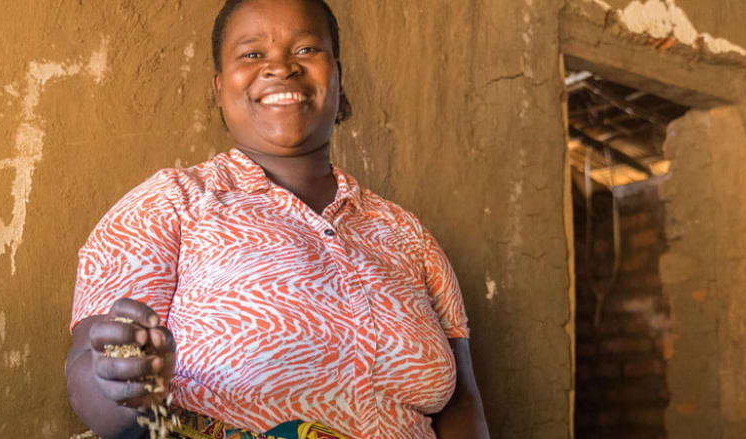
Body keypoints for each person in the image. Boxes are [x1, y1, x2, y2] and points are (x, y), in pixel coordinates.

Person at [66, 0, 489, 437]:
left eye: (306, 50)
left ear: (338, 77)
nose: (281, 68)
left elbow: (462, 400)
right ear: (218, 87)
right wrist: (117, 380)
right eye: (252, 54)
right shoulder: (170, 204)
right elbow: (91, 381)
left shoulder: (407, 235)